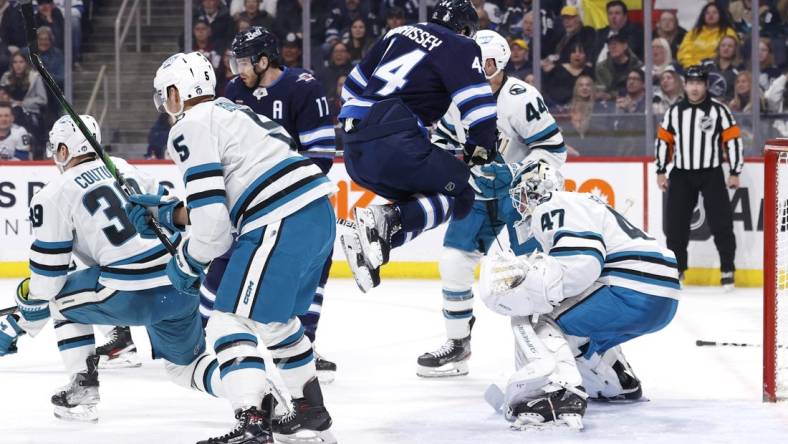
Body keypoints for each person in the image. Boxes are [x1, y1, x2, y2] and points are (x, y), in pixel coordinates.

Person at [130, 51, 337, 443]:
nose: (165, 106)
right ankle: (310, 410)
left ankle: (252, 422)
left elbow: (214, 231)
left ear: (175, 92)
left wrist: (186, 264)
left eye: (164, 96)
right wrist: (172, 214)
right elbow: (228, 199)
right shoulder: (232, 110)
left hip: (279, 217)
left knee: (227, 319)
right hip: (315, 213)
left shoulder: (189, 126)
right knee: (274, 322)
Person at [0, 115, 236, 429]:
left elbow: (48, 281)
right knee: (186, 367)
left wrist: (25, 304)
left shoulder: (54, 192)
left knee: (60, 303)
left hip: (129, 295)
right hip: (179, 282)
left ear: (63, 150)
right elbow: (168, 212)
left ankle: (83, 387)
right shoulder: (124, 167)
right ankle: (252, 394)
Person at [478, 160, 678, 429]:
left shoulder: (552, 203)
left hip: (630, 287)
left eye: (523, 195)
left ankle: (558, 393)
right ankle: (617, 384)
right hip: (660, 294)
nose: (521, 205)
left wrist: (534, 287)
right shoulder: (581, 203)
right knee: (574, 331)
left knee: (545, 321)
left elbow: (582, 263)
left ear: (538, 187)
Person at [418, 29, 567, 378]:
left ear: (497, 61)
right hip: (477, 194)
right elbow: (443, 144)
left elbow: (553, 149)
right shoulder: (456, 99)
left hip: (519, 199)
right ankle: (457, 345)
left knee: (531, 273)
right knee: (453, 262)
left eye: (480, 62)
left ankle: (543, 346)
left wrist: (517, 172)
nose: (473, 69)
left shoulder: (520, 97)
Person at [338, 0, 498, 292]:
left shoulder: (397, 33)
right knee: (462, 191)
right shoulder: (461, 45)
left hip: (353, 150)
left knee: (422, 200)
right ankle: (380, 219)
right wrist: (481, 147)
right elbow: (480, 110)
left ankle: (375, 245)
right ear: (464, 29)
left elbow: (350, 89)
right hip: (392, 142)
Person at [222, 26, 339, 381]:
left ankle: (305, 343)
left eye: (243, 61)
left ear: (263, 59)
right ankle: (233, 343)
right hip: (251, 204)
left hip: (297, 199)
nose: (237, 68)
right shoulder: (233, 91)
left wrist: (283, 186)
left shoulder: (304, 86)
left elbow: (320, 154)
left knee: (311, 272)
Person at [655, 65, 742, 288]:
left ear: (705, 85)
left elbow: (732, 139)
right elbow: (664, 140)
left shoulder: (719, 110)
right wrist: (661, 170)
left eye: (699, 83)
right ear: (685, 85)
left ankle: (727, 269)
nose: (694, 88)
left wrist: (734, 171)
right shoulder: (675, 111)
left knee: (721, 222)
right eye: (691, 83)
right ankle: (678, 270)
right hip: (682, 173)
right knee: (675, 225)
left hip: (711, 173)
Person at [0, 52, 47, 138]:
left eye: (21, 62)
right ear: (12, 64)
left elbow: (43, 99)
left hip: (29, 112)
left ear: (26, 63)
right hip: (9, 111)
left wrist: (23, 103)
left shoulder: (35, 77)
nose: (18, 65)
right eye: (15, 62)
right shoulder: (6, 77)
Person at [677, 2, 738, 68]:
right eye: (707, 13)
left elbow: (733, 53)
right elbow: (683, 53)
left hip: (718, 70)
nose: (711, 15)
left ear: (720, 15)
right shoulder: (693, 33)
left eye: (714, 13)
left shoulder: (728, 32)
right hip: (692, 69)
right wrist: (692, 66)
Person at [542, 42, 594, 108]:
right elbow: (546, 90)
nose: (577, 55)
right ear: (569, 55)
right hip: (555, 107)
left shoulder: (588, 71)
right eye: (574, 52)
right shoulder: (557, 69)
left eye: (580, 52)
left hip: (580, 107)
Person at [594, 34, 642, 101]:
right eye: (610, 45)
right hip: (607, 104)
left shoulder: (637, 66)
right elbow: (601, 88)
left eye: (615, 44)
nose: (612, 47)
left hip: (632, 101)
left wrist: (612, 95)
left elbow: (638, 89)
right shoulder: (601, 67)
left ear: (625, 46)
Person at [705, 35, 742, 102]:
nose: (726, 48)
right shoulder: (707, 65)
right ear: (719, 48)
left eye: (730, 46)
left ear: (735, 50)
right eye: (723, 45)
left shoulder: (739, 70)